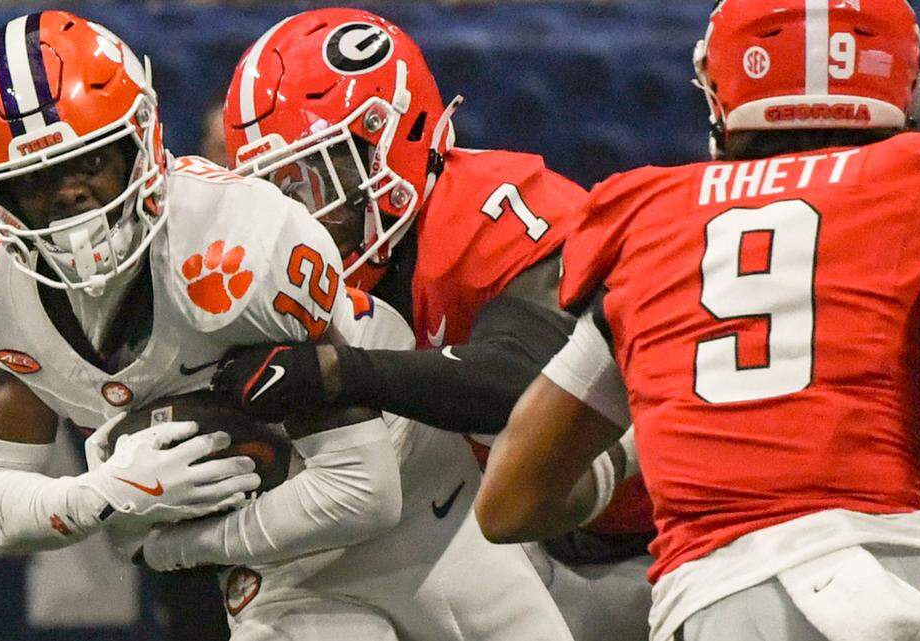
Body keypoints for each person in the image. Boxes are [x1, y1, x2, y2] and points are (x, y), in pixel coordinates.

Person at [0, 10, 410, 639]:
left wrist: (165, 546)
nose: (69, 194)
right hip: (263, 554)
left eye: (91, 161)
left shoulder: (241, 242)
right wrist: (107, 494)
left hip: (410, 482)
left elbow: (365, 488)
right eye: (34, 180)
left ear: (142, 141)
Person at [476, 2, 920, 641]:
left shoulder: (651, 220)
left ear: (723, 86)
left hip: (719, 603)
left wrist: (651, 445)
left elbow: (511, 501)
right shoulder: (914, 185)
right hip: (896, 578)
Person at [209, 8, 651, 640]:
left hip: (652, 535)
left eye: (320, 175)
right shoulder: (280, 264)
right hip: (507, 531)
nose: (303, 213)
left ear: (398, 138)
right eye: (278, 189)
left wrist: (339, 372)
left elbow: (528, 383)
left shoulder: (499, 212)